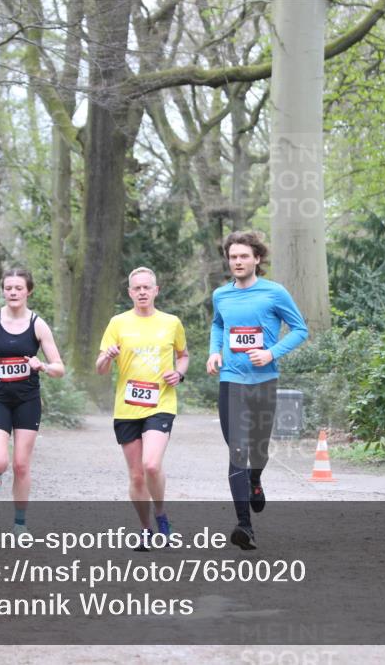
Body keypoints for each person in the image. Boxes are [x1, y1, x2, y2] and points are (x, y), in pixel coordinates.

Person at [207, 231, 308, 550]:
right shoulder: (221, 295)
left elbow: (300, 329)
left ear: (257, 259)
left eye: (243, 256)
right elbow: (218, 324)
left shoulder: (274, 292)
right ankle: (244, 526)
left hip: (264, 382)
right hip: (231, 381)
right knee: (237, 450)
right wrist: (215, 351)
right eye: (233, 257)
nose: (237, 261)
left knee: (258, 448)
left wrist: (271, 353)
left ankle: (255, 479)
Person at [0, 268, 65, 535]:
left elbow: (59, 368)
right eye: (8, 288)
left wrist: (42, 365)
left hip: (27, 401)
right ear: (3, 291)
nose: (12, 292)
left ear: (28, 291)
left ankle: (20, 523)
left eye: (18, 288)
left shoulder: (38, 325)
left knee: (21, 465)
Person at [97, 267, 189, 551]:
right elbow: (100, 369)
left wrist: (179, 373)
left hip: (160, 403)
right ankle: (146, 529)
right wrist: (108, 357)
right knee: (136, 474)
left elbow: (183, 356)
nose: (142, 292)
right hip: (126, 407)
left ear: (156, 290)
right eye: (136, 288)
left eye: (146, 287)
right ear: (130, 293)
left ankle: (161, 517)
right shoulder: (117, 323)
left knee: (151, 464)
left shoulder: (171, 322)